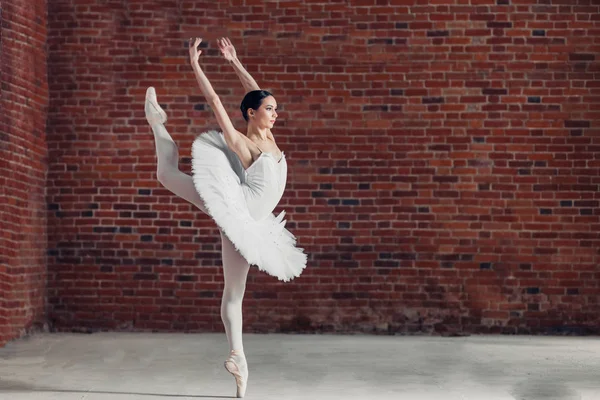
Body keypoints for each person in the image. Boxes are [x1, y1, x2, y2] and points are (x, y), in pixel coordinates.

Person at [143, 37, 307, 398]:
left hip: (250, 227)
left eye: (275, 108)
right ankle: (158, 123)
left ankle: (239, 360)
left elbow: (254, 92)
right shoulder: (246, 145)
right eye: (270, 109)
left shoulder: (270, 136)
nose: (276, 113)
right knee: (167, 176)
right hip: (233, 208)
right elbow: (217, 101)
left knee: (234, 295)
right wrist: (196, 66)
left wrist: (234, 61)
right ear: (252, 114)